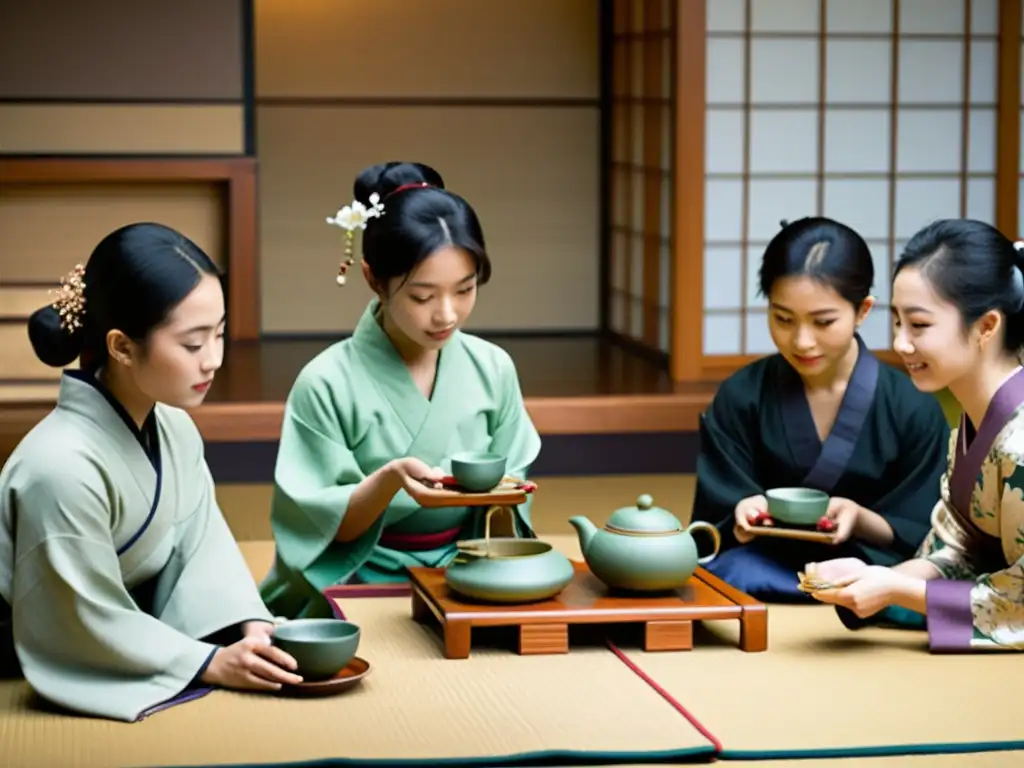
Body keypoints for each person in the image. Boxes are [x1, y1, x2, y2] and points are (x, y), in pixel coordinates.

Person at [0, 223, 303, 723]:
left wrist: (248, 626)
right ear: (121, 347)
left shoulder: (175, 429)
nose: (215, 359)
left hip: (135, 637)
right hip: (53, 649)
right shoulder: (56, 467)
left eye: (220, 334)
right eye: (192, 344)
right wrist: (208, 662)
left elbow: (201, 545)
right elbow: (79, 616)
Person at [259, 162, 542, 619]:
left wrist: (505, 497)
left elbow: (509, 504)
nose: (447, 315)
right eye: (423, 296)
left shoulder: (494, 368)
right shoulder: (326, 381)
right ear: (374, 279)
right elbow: (322, 526)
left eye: (464, 290)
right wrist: (388, 481)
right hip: (356, 574)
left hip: (466, 571)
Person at [690, 217, 951, 602]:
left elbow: (928, 534)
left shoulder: (911, 408)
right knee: (723, 577)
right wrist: (742, 515)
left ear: (862, 310)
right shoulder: (742, 395)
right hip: (760, 566)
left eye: (823, 321)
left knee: (920, 591)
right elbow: (713, 525)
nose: (802, 340)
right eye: (783, 318)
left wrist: (860, 519)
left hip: (869, 572)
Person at [808, 219, 1024, 652]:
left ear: (986, 326)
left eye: (919, 326)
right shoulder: (975, 421)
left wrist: (894, 589)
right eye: (897, 322)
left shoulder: (1019, 444)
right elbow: (959, 544)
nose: (900, 343)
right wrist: (876, 578)